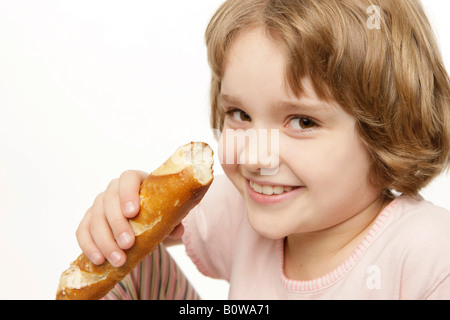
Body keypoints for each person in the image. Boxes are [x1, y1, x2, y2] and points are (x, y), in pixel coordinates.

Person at [75, 0, 450, 299]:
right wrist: (124, 211)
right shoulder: (238, 206)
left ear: (389, 130)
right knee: (128, 266)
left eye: (303, 122)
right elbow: (145, 230)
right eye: (239, 114)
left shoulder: (428, 253)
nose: (255, 157)